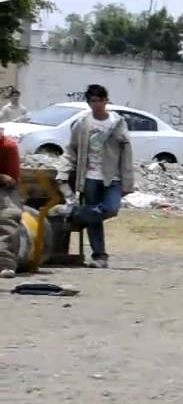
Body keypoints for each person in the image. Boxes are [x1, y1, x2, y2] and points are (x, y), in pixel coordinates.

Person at [52, 84, 134, 268]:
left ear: (106, 101)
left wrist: (128, 181)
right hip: (90, 177)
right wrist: (63, 172)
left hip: (112, 177)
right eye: (92, 101)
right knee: (94, 219)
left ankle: (75, 214)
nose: (96, 104)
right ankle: (99, 256)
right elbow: (72, 150)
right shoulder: (82, 124)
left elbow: (127, 154)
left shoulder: (117, 123)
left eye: (99, 101)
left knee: (111, 208)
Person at [0, 131, 21, 278]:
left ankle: (5, 264)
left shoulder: (8, 146)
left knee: (8, 215)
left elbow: (11, 179)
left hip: (5, 189)